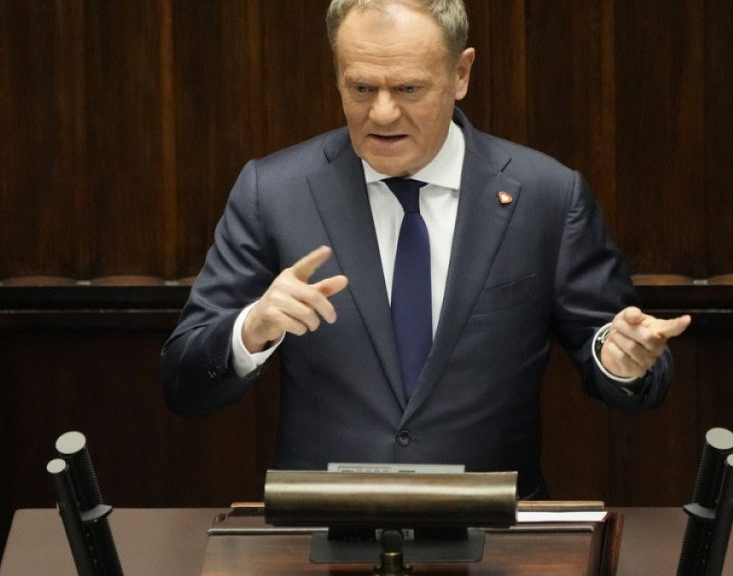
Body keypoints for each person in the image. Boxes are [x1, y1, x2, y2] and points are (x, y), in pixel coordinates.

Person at [161, 0, 690, 499]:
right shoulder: (273, 192)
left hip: (496, 539)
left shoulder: (546, 196)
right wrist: (250, 330)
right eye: (361, 88)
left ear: (461, 74)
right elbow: (184, 382)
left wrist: (623, 360)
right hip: (321, 532)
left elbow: (616, 351)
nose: (383, 114)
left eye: (410, 88)